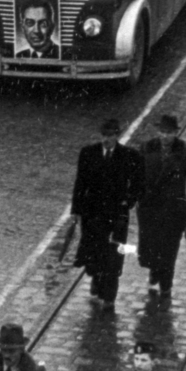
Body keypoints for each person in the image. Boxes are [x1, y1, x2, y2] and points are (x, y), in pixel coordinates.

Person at [70, 119, 144, 313]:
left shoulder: (129, 156)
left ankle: (109, 297)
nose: (107, 139)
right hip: (92, 215)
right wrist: (76, 210)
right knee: (94, 254)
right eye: (104, 135)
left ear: (117, 135)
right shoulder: (88, 153)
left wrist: (128, 202)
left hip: (116, 216)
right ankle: (96, 279)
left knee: (113, 256)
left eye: (110, 135)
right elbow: (81, 183)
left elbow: (138, 184)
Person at [136, 116, 186, 298]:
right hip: (150, 209)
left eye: (169, 132)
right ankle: (154, 270)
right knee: (151, 249)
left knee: (169, 251)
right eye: (162, 132)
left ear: (176, 133)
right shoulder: (146, 148)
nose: (164, 136)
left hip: (174, 210)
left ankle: (166, 288)